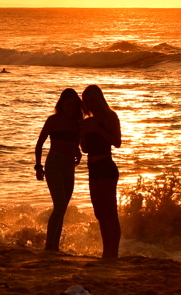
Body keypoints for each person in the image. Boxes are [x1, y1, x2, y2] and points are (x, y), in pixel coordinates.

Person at [34, 88, 83, 252]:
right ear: (61, 104)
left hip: (69, 165)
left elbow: (76, 144)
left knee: (63, 208)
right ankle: (49, 245)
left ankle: (55, 246)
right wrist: (38, 167)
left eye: (74, 106)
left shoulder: (77, 123)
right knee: (60, 205)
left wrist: (77, 152)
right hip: (54, 162)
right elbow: (39, 144)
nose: (70, 109)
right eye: (68, 105)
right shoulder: (53, 120)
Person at [81, 84, 122, 260]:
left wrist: (98, 129)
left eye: (92, 100)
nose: (90, 104)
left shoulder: (109, 116)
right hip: (92, 168)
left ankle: (114, 253)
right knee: (99, 213)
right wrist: (81, 132)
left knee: (110, 212)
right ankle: (107, 252)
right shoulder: (87, 121)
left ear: (99, 99)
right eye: (87, 102)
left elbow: (117, 142)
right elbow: (85, 149)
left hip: (106, 166)